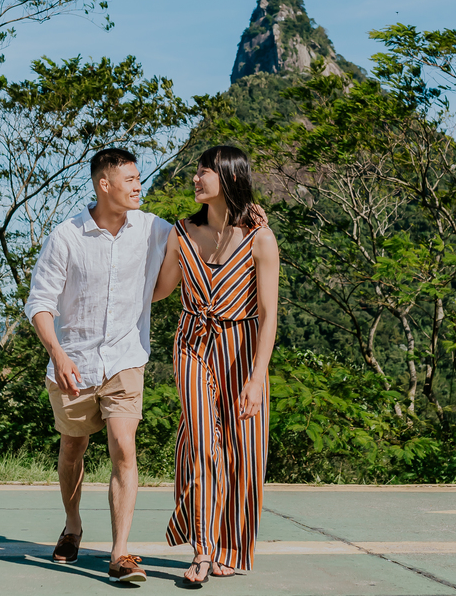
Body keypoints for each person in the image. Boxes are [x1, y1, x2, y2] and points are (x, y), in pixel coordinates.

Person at [24, 147, 172, 584]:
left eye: (139, 177)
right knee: (73, 447)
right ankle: (73, 525)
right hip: (75, 361)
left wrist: (246, 213)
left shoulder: (153, 229)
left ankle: (120, 553)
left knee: (123, 446)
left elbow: (202, 233)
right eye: (129, 179)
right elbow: (40, 303)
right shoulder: (66, 236)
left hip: (126, 359)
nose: (138, 186)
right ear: (103, 184)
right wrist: (58, 353)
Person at [152, 145, 280, 586]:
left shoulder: (260, 238)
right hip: (192, 344)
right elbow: (160, 290)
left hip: (243, 347)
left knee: (244, 449)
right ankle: (204, 549)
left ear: (227, 177)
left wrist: (257, 376)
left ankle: (231, 546)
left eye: (203, 172)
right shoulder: (181, 234)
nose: (195, 178)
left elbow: (268, 315)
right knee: (202, 441)